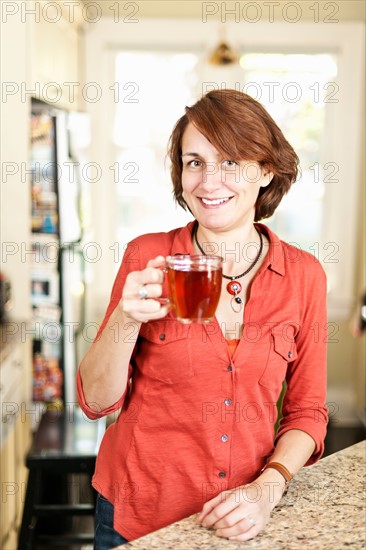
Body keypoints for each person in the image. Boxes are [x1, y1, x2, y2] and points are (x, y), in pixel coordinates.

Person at [77, 89, 328, 549]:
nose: (209, 181)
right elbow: (96, 402)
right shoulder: (147, 255)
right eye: (194, 162)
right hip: (136, 514)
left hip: (241, 517)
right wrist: (125, 319)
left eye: (231, 161)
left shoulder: (304, 276)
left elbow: (307, 413)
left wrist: (266, 490)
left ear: (267, 169)